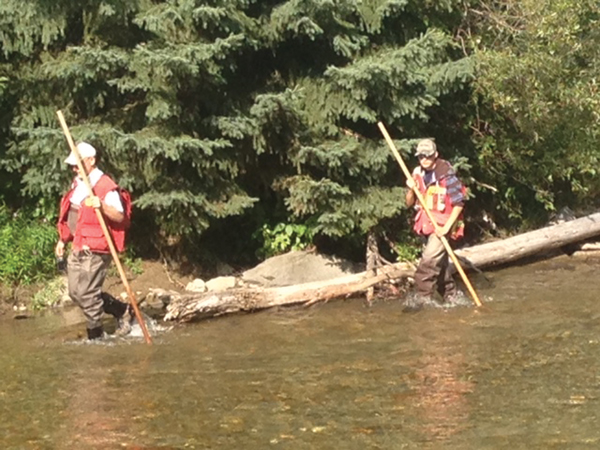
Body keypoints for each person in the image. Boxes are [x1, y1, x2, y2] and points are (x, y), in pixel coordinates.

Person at [55, 142, 133, 340]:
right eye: (73, 165)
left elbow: (120, 217)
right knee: (75, 293)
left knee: (88, 294)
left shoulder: (106, 187)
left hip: (97, 248)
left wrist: (102, 205)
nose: (74, 168)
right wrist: (63, 240)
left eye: (77, 164)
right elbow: (72, 216)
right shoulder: (78, 184)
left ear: (91, 160)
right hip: (78, 245)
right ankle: (122, 309)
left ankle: (96, 337)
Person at [405, 138, 467, 308]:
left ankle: (421, 298)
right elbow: (409, 203)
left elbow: (459, 203)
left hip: (443, 225)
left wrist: (446, 228)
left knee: (429, 259)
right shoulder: (417, 174)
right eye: (420, 156)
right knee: (440, 266)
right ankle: (452, 297)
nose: (424, 159)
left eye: (428, 156)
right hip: (427, 225)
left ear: (435, 155)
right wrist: (411, 187)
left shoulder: (447, 175)